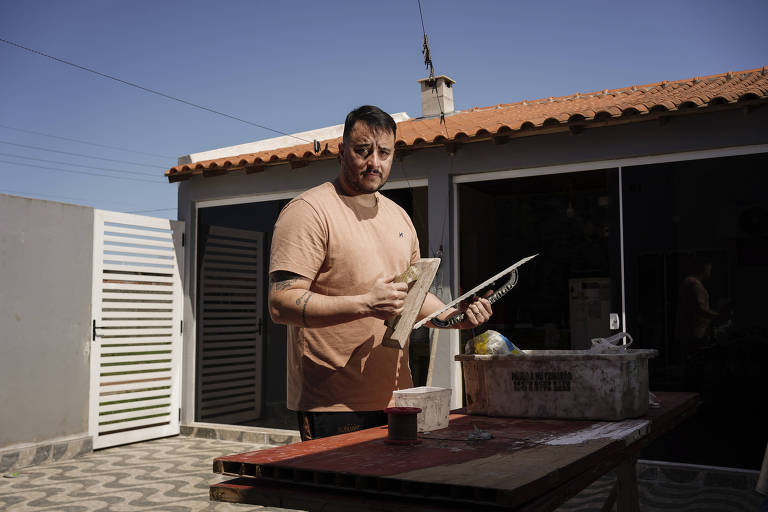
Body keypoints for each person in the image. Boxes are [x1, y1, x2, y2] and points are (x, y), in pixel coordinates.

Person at [268, 105, 493, 441]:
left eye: (384, 152)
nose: (374, 161)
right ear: (341, 152)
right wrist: (365, 304)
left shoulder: (399, 218)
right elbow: (281, 303)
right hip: (332, 404)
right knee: (341, 495)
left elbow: (414, 297)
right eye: (362, 150)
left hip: (398, 398)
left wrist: (456, 317)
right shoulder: (309, 212)